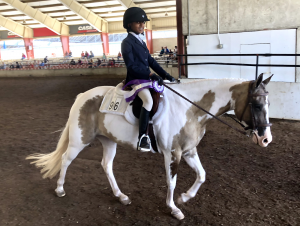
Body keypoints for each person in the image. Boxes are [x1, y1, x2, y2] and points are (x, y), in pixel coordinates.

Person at [121, 7, 175, 152]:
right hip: (135, 80)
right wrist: (150, 75)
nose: (142, 25)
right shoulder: (127, 42)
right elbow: (131, 66)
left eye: (143, 23)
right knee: (148, 101)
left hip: (145, 78)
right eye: (138, 22)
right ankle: (142, 138)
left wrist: (166, 75)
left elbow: (151, 61)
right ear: (129, 24)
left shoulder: (141, 42)